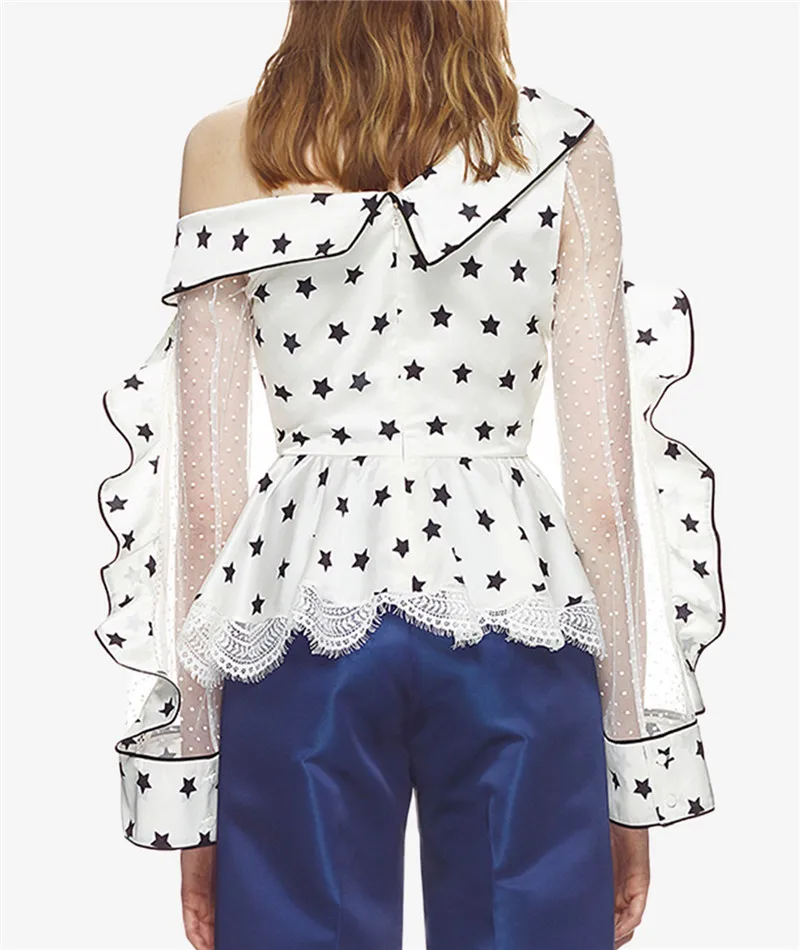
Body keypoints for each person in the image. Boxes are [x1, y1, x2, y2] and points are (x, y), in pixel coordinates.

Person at [94, 2, 726, 948]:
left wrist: (197, 788)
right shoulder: (561, 148)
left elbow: (204, 505)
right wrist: (631, 776)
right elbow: (606, 501)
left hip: (297, 616)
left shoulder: (229, 149)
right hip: (516, 612)